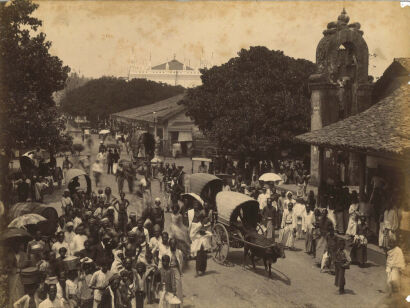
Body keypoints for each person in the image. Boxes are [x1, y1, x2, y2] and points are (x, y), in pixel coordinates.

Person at [168, 238, 183, 305]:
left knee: (178, 286)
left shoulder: (179, 252)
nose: (173, 245)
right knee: (170, 287)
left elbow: (181, 262)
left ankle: (179, 304)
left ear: (176, 244)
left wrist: (180, 271)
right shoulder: (166, 252)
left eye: (174, 244)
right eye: (171, 244)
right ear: (169, 244)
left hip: (176, 269)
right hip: (169, 270)